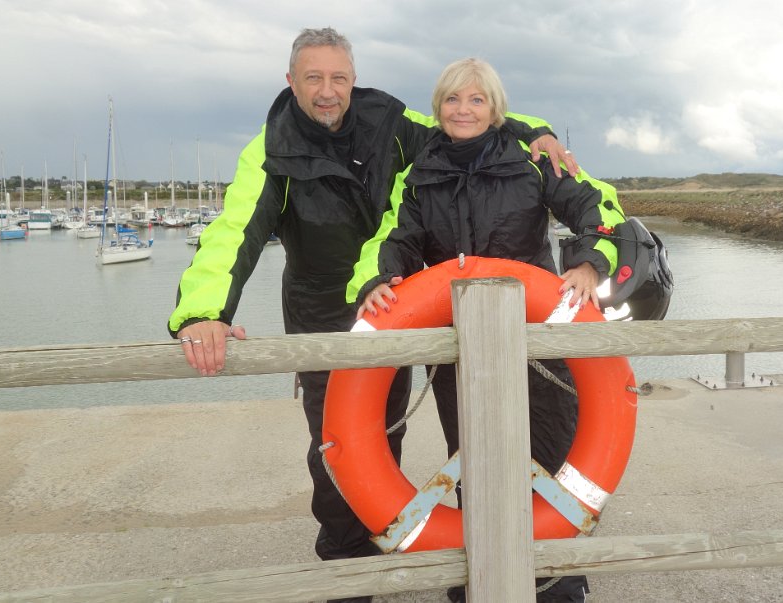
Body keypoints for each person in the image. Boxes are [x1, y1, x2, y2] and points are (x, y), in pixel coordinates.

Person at [167, 28, 576, 603]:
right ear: (291, 81)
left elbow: (466, 121)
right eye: (313, 78)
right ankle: (348, 572)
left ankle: (445, 554)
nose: (327, 91)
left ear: (353, 80)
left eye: (338, 78)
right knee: (340, 447)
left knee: (389, 433)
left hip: (397, 303)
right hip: (325, 317)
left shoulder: (389, 121)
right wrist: (205, 312)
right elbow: (234, 232)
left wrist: (537, 131)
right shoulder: (272, 148)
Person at [349, 57, 626, 603]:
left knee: (549, 455)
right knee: (473, 461)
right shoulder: (419, 173)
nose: (464, 110)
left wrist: (589, 262)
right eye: (453, 99)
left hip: (537, 342)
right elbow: (394, 238)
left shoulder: (534, 159)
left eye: (476, 99)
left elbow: (600, 207)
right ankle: (479, 579)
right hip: (461, 347)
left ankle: (557, 584)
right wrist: (378, 280)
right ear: (439, 107)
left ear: (495, 108)